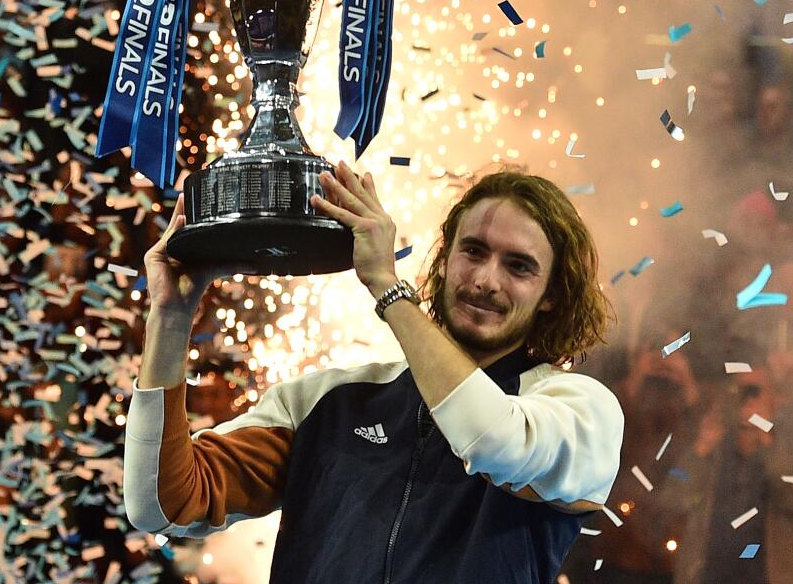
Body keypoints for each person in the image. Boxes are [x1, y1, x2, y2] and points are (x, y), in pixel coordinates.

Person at [122, 166, 624, 582]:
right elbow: (163, 505)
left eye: (518, 266)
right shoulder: (328, 400)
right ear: (445, 260)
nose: (486, 280)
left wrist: (386, 286)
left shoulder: (578, 411)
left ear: (552, 294)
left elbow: (493, 441)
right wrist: (170, 318)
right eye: (473, 251)